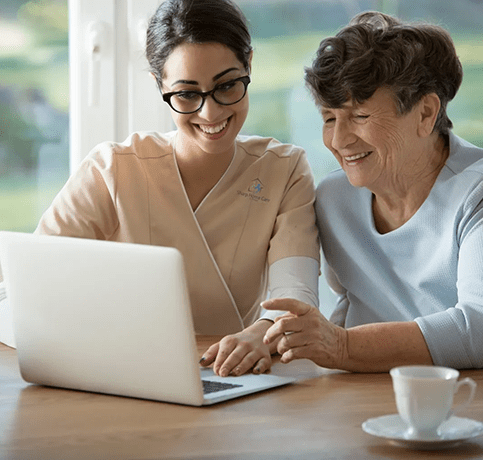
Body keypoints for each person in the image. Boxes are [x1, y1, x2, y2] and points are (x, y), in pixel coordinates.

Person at [0, 0, 320, 376]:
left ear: (249, 64)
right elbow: (26, 289)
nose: (210, 113)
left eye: (227, 86)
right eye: (187, 94)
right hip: (125, 372)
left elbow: (295, 296)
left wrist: (264, 332)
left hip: (236, 378)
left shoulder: (285, 170)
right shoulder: (112, 170)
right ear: (159, 85)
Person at [263, 11, 483, 372]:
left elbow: (478, 327)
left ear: (426, 113)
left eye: (361, 116)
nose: (338, 140)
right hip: (357, 394)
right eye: (329, 118)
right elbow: (351, 305)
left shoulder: (475, 193)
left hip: (458, 402)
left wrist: (342, 347)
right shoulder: (335, 200)